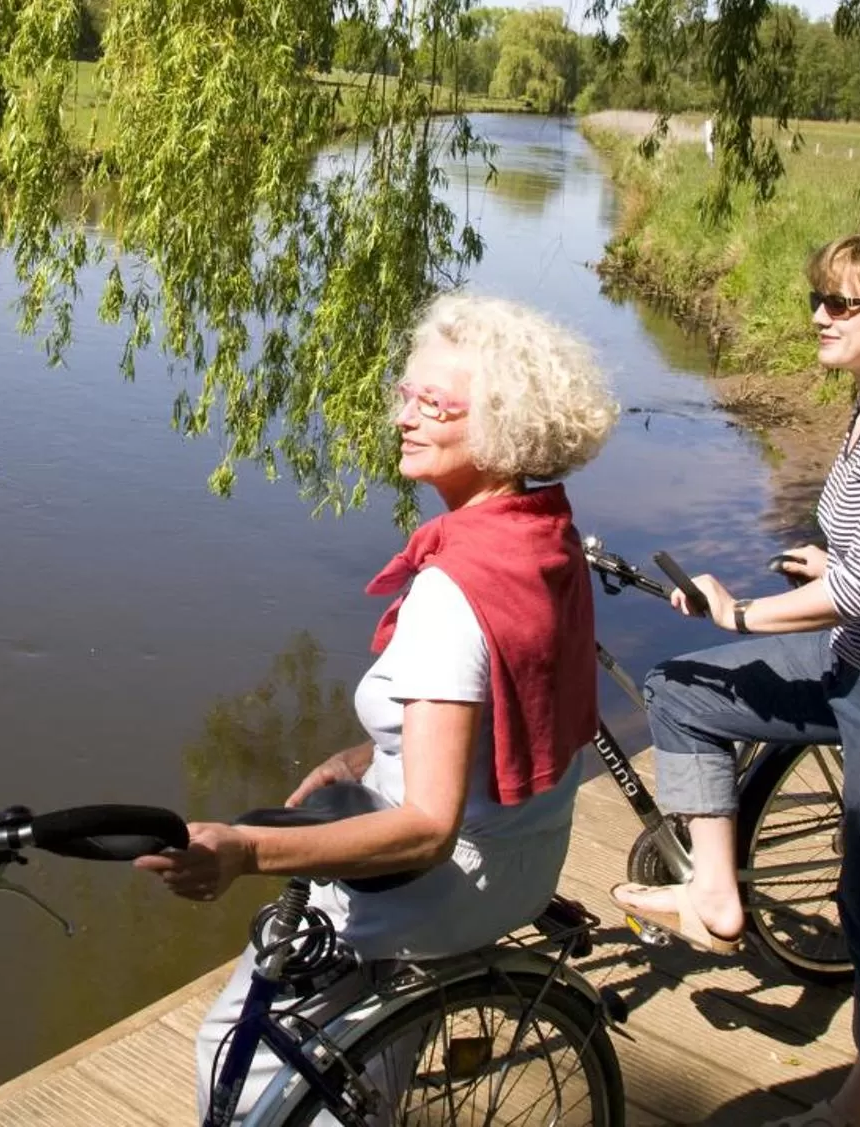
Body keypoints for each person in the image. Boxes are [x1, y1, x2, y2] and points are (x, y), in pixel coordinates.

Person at [135, 292, 618, 1123]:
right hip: (522, 859)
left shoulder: (455, 592)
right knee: (360, 1059)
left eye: (434, 404)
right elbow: (508, 709)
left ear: (502, 423)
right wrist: (364, 756)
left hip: (442, 883)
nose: (404, 416)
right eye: (406, 394)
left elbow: (428, 829)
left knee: (232, 1052)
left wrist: (242, 850)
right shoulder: (542, 537)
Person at [611, 208, 860, 1127]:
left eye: (841, 303)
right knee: (684, 687)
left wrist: (742, 609)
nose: (819, 315)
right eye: (816, 298)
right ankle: (714, 889)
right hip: (858, 656)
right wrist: (828, 565)